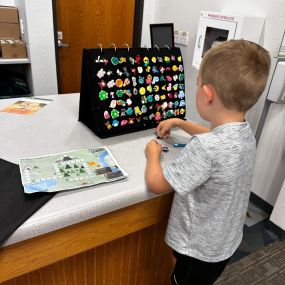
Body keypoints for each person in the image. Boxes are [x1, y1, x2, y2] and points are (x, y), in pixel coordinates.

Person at [145, 39, 271, 285]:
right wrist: (179, 122)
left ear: (207, 94)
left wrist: (153, 154)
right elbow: (216, 138)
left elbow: (157, 184)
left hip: (196, 250)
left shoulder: (204, 148)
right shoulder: (245, 133)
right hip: (224, 244)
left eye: (197, 83)